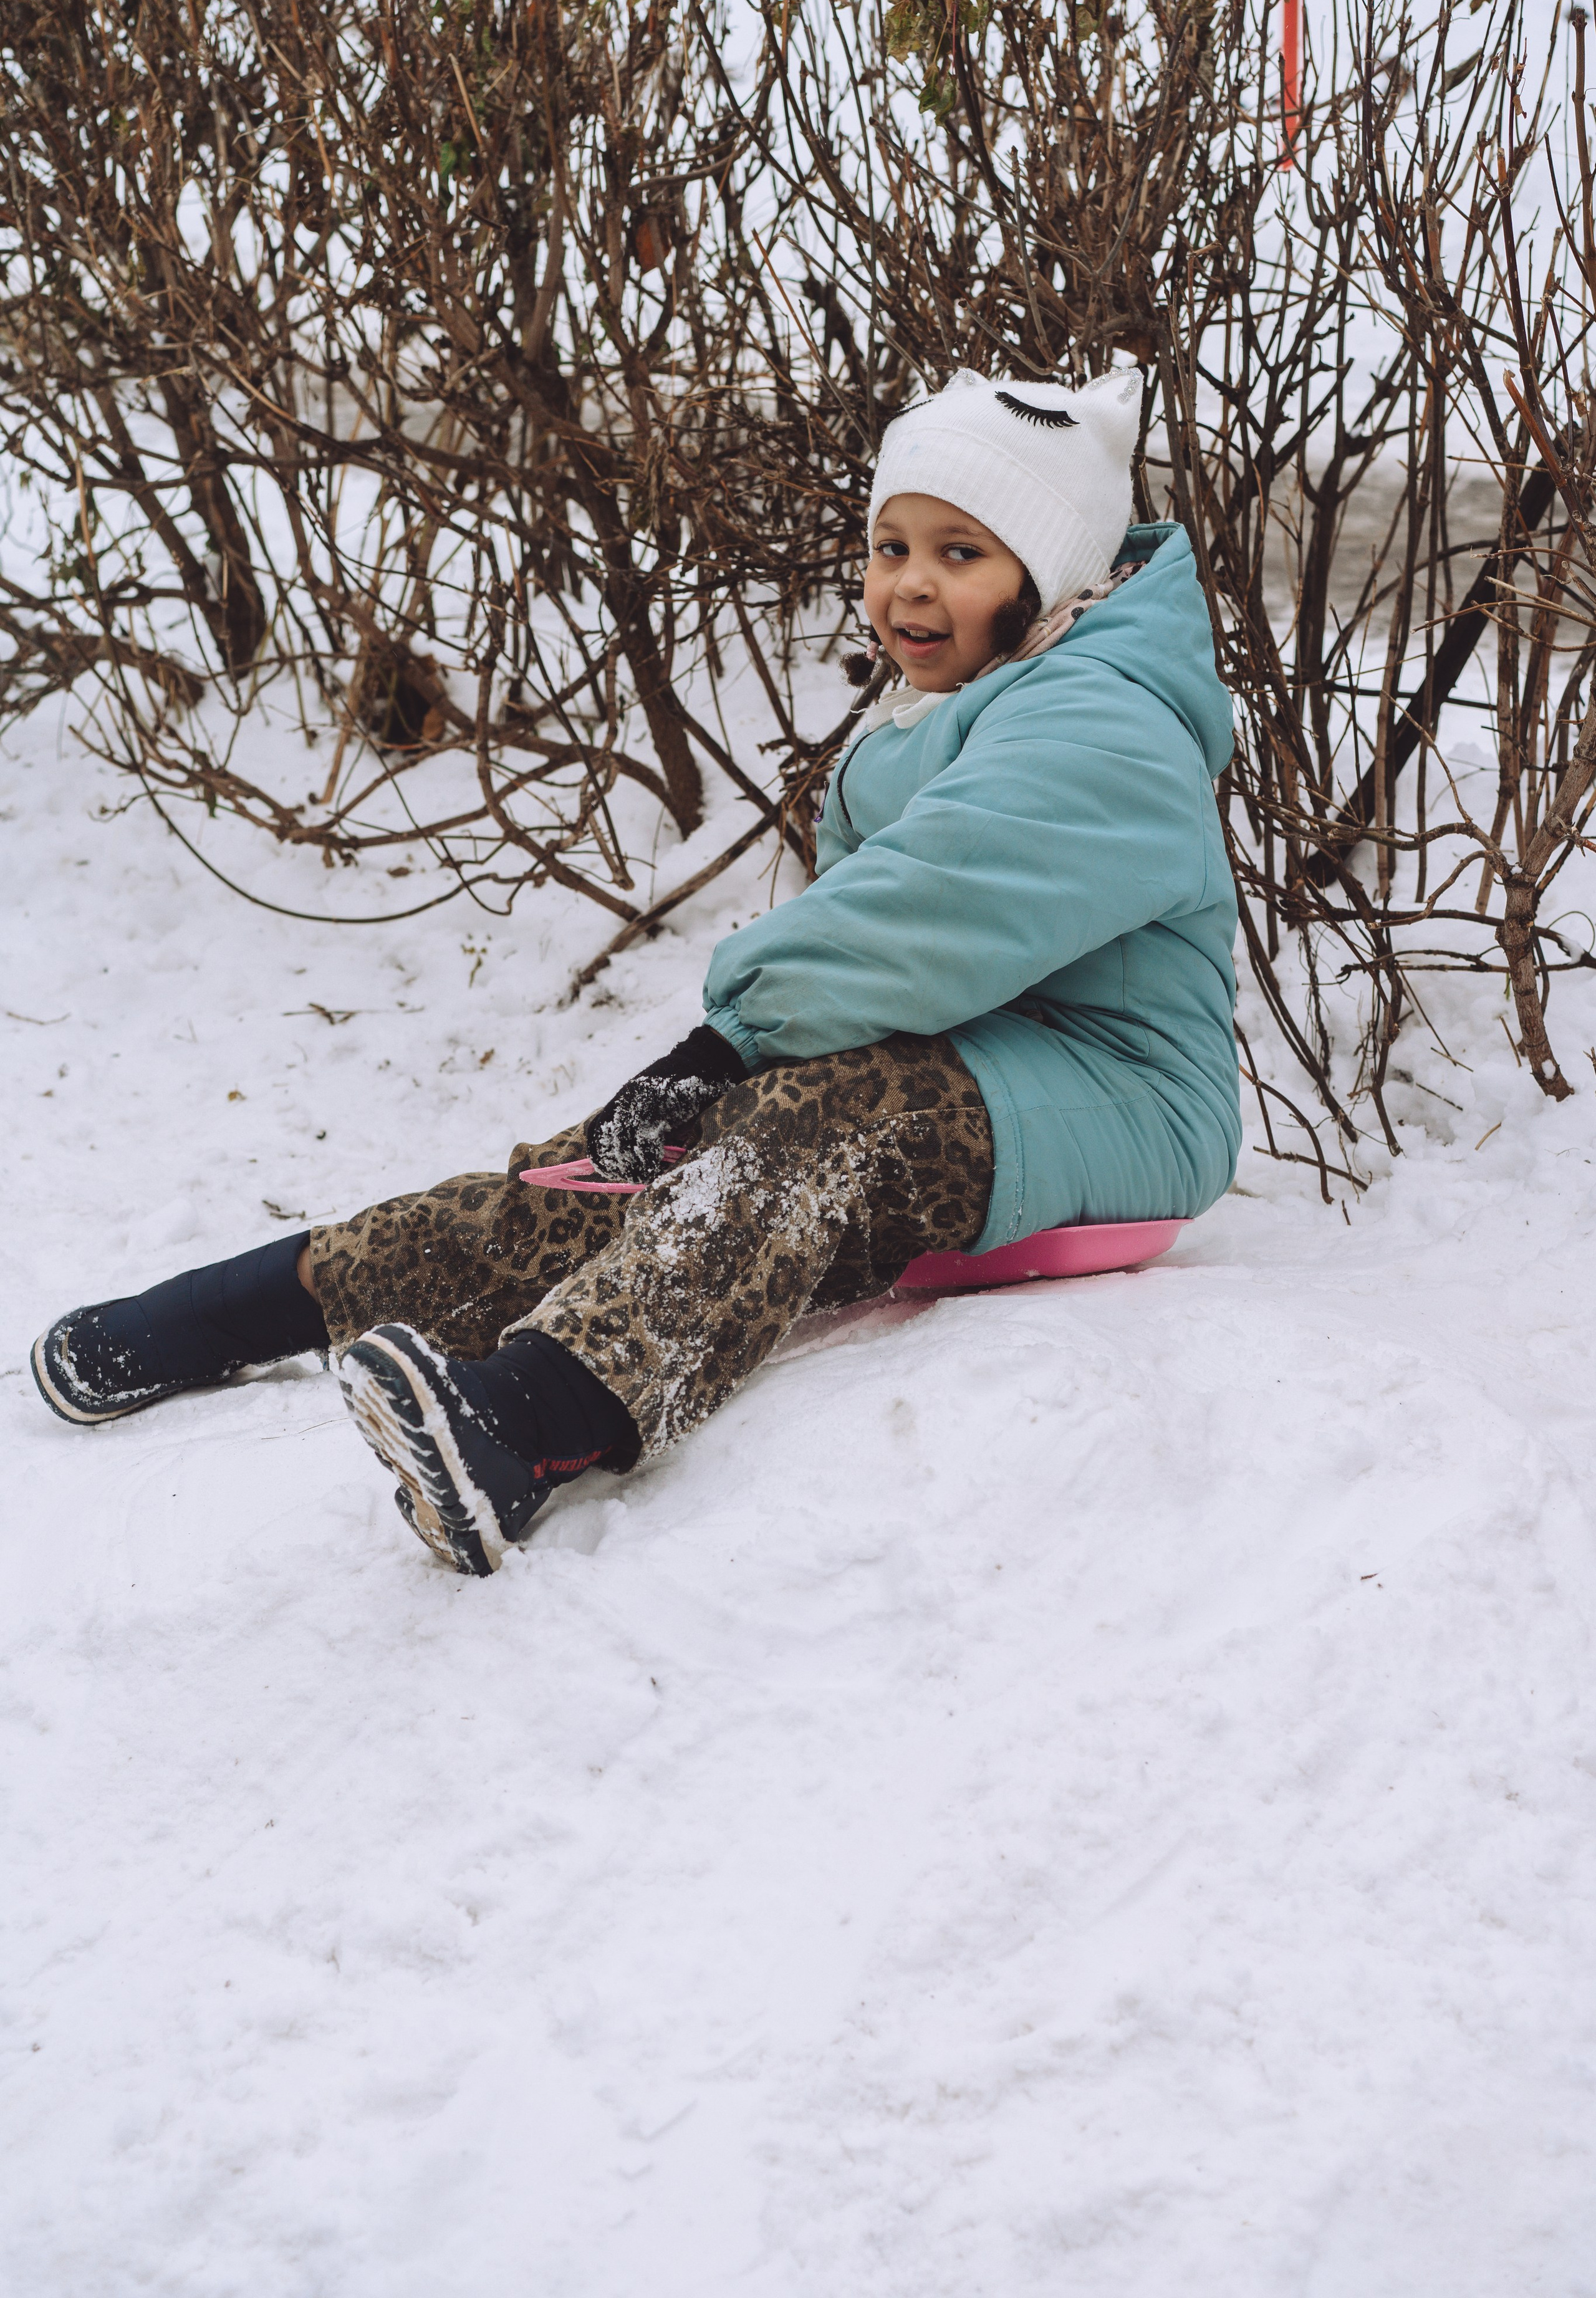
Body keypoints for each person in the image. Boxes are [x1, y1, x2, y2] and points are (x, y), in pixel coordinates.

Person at [31, 367, 1242, 1576]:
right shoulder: (960, 706)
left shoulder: (1104, 720)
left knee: (810, 1114)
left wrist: (727, 1048)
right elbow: (888, 951)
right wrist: (705, 1087)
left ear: (1052, 575)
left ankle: (526, 1429)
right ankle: (224, 1314)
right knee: (612, 1169)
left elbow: (934, 909)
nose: (909, 582)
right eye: (889, 545)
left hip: (1123, 1098)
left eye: (961, 552)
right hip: (970, 1071)